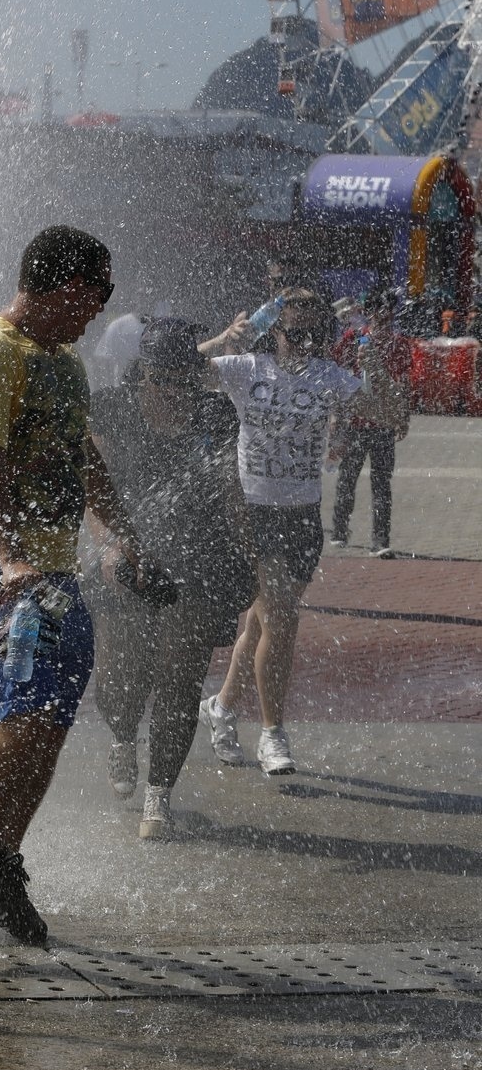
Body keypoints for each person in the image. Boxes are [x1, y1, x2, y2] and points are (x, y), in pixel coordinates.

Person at [0, 226, 162, 945]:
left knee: (52, 715)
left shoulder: (65, 364)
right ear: (67, 286)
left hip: (50, 574)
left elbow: (83, 457)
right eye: (101, 291)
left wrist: (120, 537)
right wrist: (8, 561)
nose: (101, 308)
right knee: (28, 704)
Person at [89, 318, 256, 837]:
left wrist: (250, 554)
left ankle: (159, 795)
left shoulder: (215, 413)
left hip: (200, 556)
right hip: (130, 553)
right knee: (123, 675)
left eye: (187, 381)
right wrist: (111, 546)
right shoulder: (112, 410)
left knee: (180, 679)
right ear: (143, 376)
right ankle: (122, 737)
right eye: (165, 381)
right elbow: (95, 490)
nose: (176, 394)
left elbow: (230, 490)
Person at [197, 289, 362, 776]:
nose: (303, 344)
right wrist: (225, 338)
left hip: (303, 516)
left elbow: (394, 414)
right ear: (276, 332)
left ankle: (222, 707)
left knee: (262, 621)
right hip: (254, 511)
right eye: (294, 333)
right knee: (282, 617)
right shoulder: (248, 367)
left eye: (313, 334)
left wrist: (374, 357)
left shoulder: (330, 378)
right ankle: (273, 733)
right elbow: (179, 369)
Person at [330, 286, 412, 557]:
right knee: (347, 478)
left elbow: (403, 383)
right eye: (379, 309)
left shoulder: (400, 343)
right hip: (355, 422)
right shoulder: (354, 339)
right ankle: (340, 530)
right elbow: (336, 371)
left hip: (384, 425)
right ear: (369, 312)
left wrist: (403, 416)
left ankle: (380, 540)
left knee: (381, 483)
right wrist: (336, 416)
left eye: (389, 308)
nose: (384, 314)